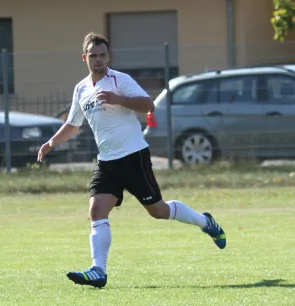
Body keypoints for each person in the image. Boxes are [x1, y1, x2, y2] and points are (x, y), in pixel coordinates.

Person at [37, 32, 226, 289]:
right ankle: (98, 271)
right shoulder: (81, 89)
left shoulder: (120, 81)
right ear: (85, 58)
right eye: (93, 56)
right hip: (107, 162)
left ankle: (206, 222)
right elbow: (73, 124)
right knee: (96, 211)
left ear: (109, 57)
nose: (99, 60)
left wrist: (119, 100)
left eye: (103, 55)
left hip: (133, 156)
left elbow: (149, 104)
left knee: (158, 211)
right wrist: (51, 142)